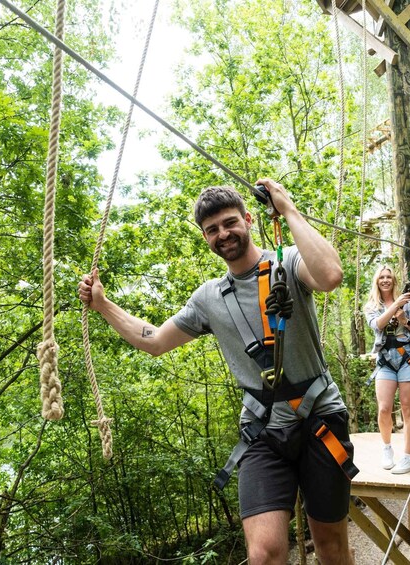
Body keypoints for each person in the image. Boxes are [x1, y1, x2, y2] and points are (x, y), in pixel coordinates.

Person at [78, 180, 356, 564]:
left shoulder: (289, 263)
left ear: (249, 219)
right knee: (264, 554)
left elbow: (330, 276)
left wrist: (288, 209)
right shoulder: (208, 298)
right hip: (262, 433)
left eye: (229, 223)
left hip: (320, 421)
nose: (223, 234)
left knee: (331, 548)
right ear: (205, 237)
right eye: (212, 229)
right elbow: (155, 341)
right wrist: (103, 305)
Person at [363, 265, 410, 475]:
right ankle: (387, 448)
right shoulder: (372, 306)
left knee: (408, 407)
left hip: (408, 356)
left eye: (389, 276)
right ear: (377, 281)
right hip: (386, 360)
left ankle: (407, 457)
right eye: (381, 277)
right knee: (384, 408)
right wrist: (396, 306)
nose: (385, 280)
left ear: (394, 280)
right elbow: (377, 325)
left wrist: (405, 321)